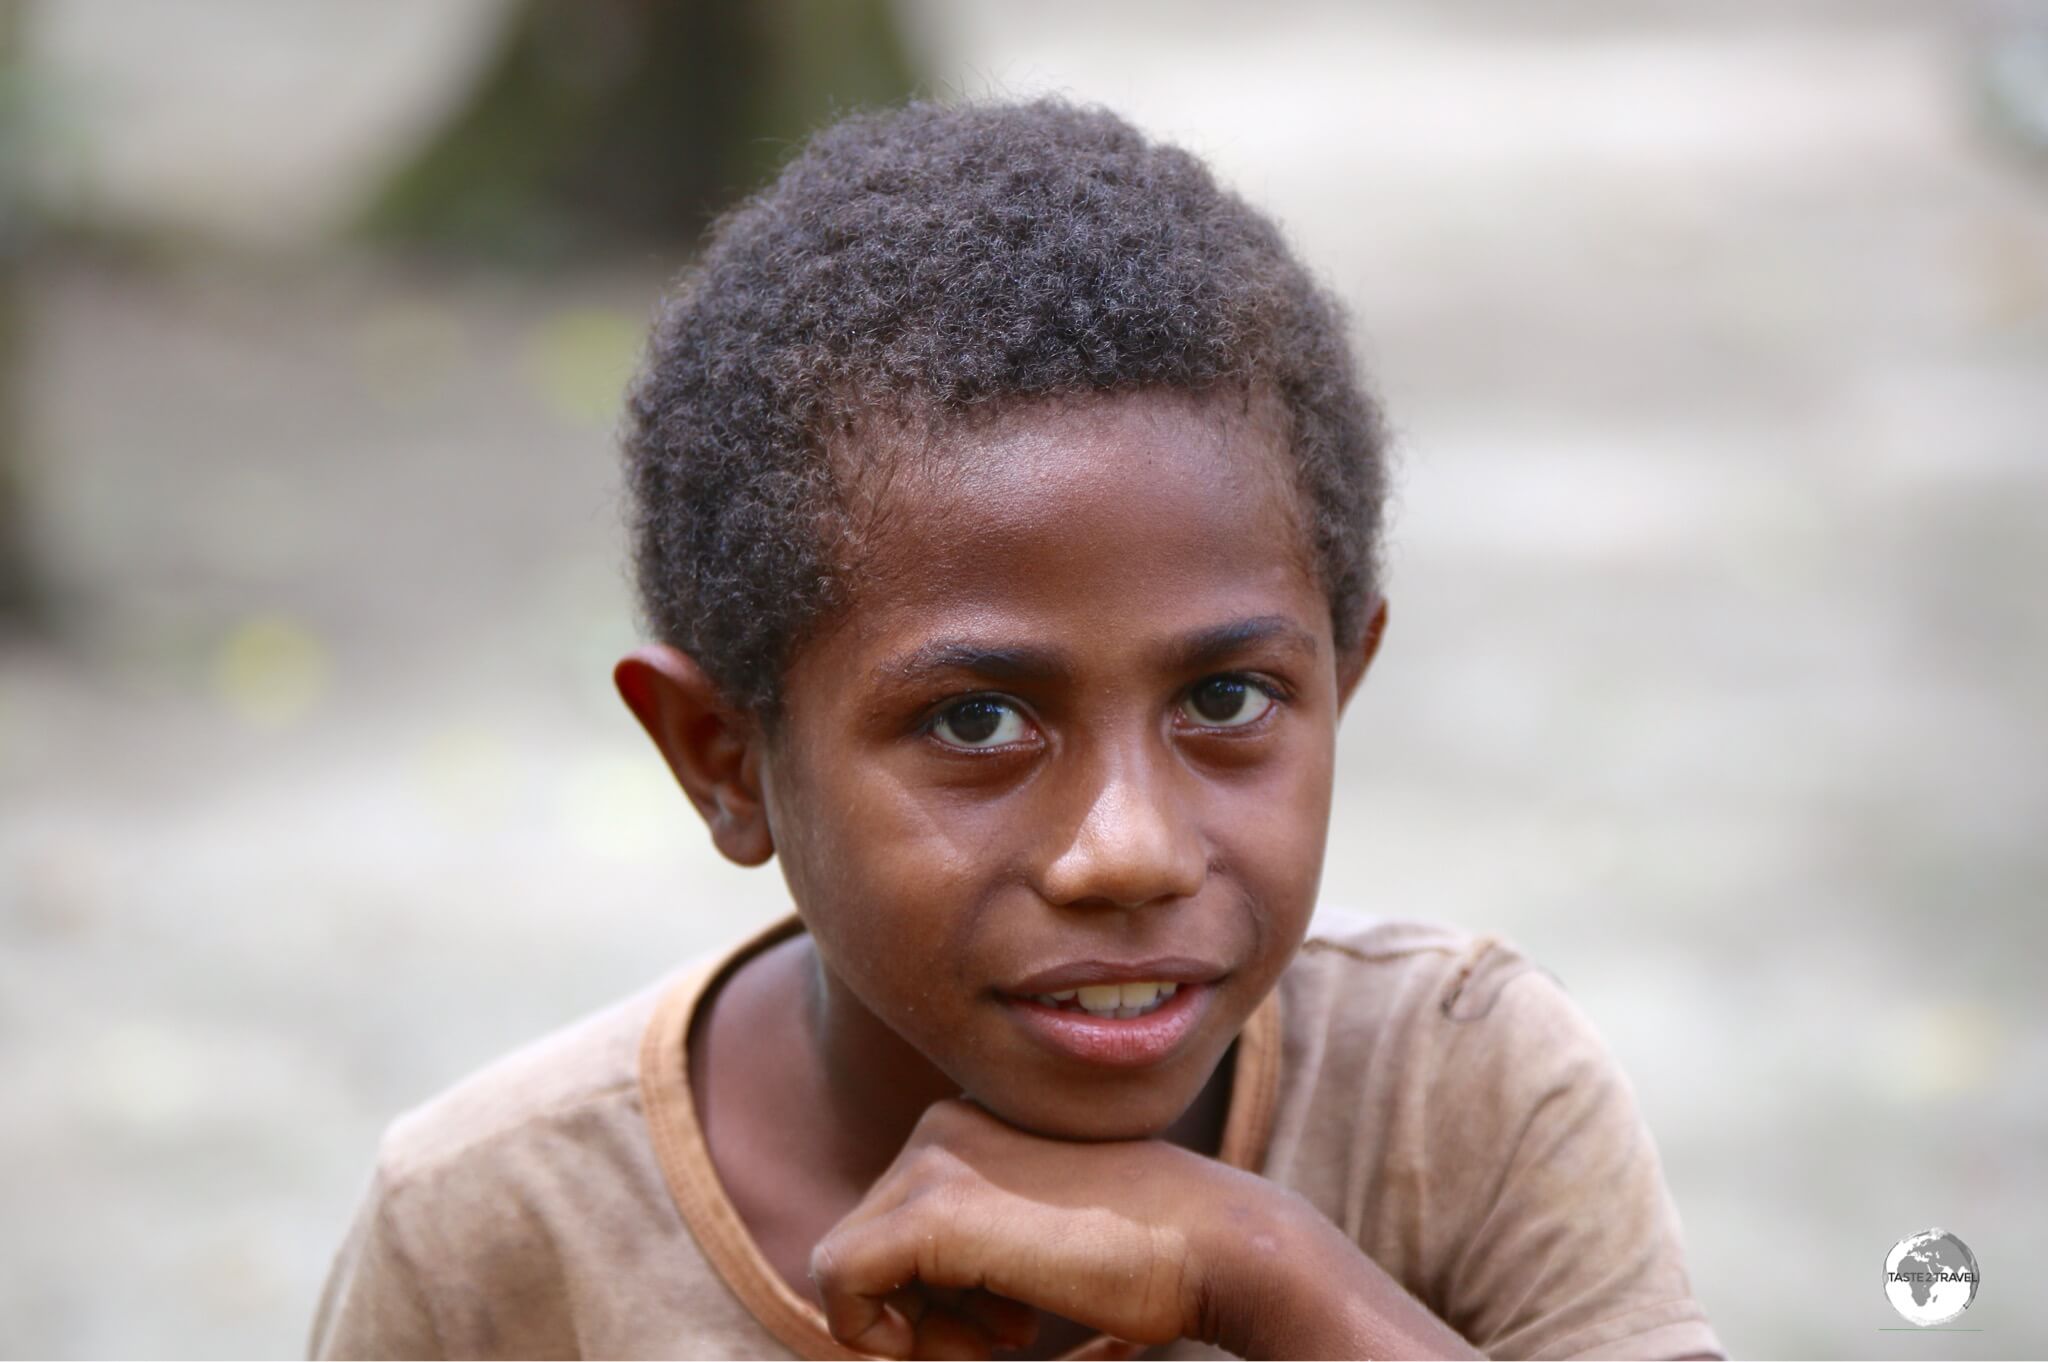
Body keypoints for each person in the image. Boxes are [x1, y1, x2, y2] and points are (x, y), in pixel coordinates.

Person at [310, 99, 1722, 1361]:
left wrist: (1271, 1275)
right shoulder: (498, 1232)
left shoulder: (1454, 1091)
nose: (1131, 851)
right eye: (978, 719)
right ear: (723, 758)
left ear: (1342, 681)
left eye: (1226, 700)